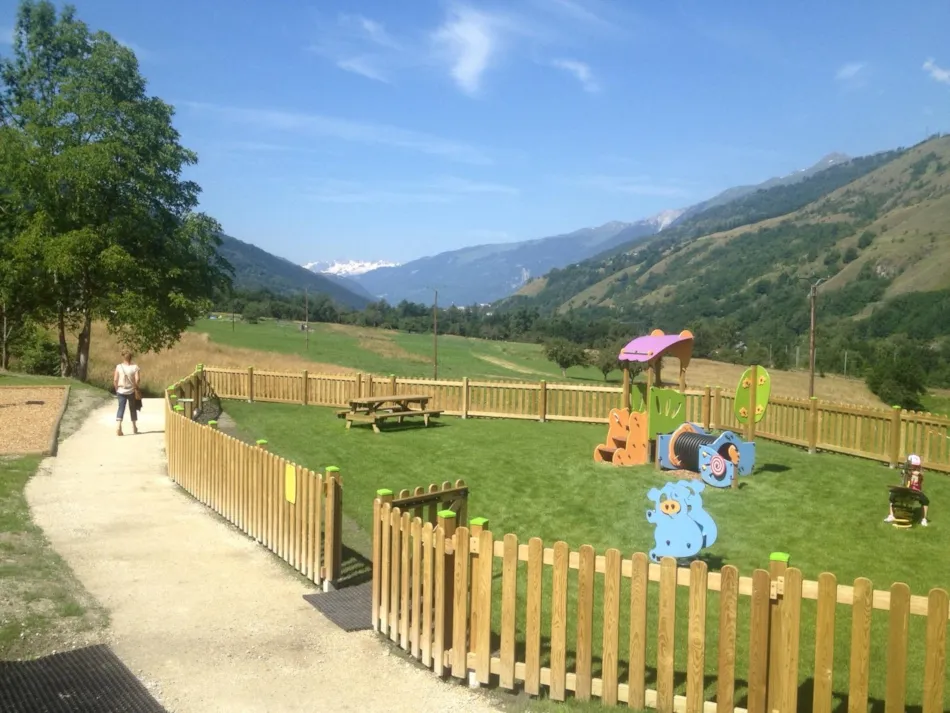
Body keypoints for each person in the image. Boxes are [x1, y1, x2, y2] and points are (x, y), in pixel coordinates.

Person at [884, 454, 929, 526]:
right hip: (905, 490)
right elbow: (903, 475)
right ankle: (891, 515)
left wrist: (915, 473)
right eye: (912, 466)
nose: (914, 468)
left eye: (915, 466)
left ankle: (924, 519)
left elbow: (920, 475)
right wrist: (905, 472)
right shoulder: (905, 472)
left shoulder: (919, 474)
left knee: (925, 500)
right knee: (892, 494)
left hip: (916, 491)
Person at [113, 349, 141, 436]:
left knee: (121, 408)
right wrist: (136, 386)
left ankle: (118, 426)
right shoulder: (135, 367)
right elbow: (138, 379)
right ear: (131, 358)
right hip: (131, 390)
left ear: (123, 357)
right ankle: (134, 427)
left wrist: (116, 389)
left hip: (121, 390)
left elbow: (115, 379)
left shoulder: (119, 367)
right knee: (132, 408)